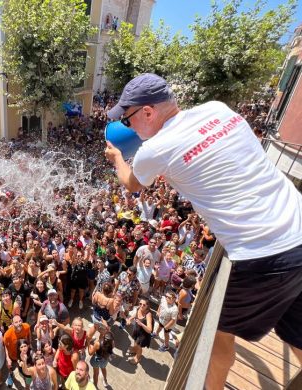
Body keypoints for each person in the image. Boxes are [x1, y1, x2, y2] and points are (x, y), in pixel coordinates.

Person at [105, 72, 302, 389]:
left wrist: (117, 156)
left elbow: (131, 183)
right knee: (297, 334)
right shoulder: (218, 109)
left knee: (212, 338)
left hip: (261, 254)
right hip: (298, 225)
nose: (128, 128)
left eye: (127, 121)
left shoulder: (155, 149)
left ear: (147, 112)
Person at [127, 297, 153, 365]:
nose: (141, 305)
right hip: (137, 330)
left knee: (139, 346)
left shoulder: (148, 315)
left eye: (144, 305)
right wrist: (130, 319)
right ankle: (134, 350)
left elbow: (149, 330)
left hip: (143, 335)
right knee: (135, 342)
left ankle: (138, 357)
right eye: (140, 303)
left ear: (147, 306)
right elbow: (135, 315)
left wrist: (141, 324)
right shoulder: (138, 308)